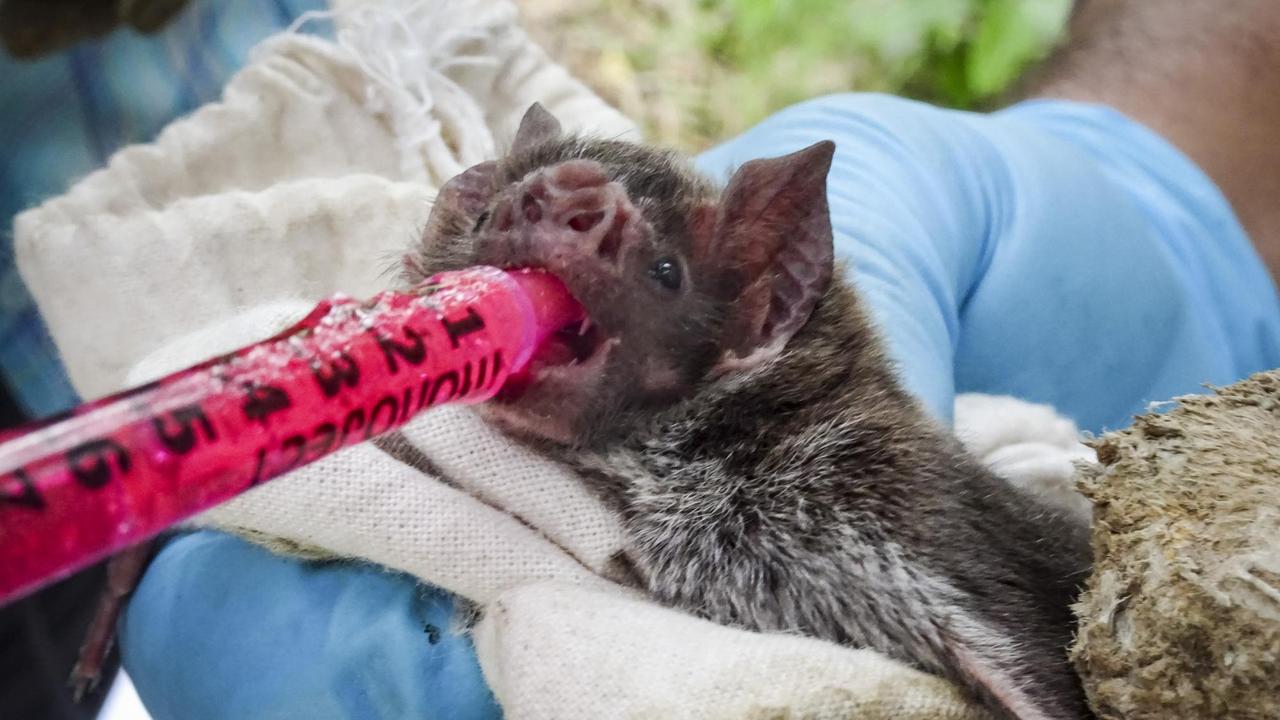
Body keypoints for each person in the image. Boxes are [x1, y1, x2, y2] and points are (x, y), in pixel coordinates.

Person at [81, 0, 1280, 716]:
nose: (555, 245)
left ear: (760, 306)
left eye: (656, 271)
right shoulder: (406, 383)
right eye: (511, 217)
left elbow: (1018, 644)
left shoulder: (842, 465)